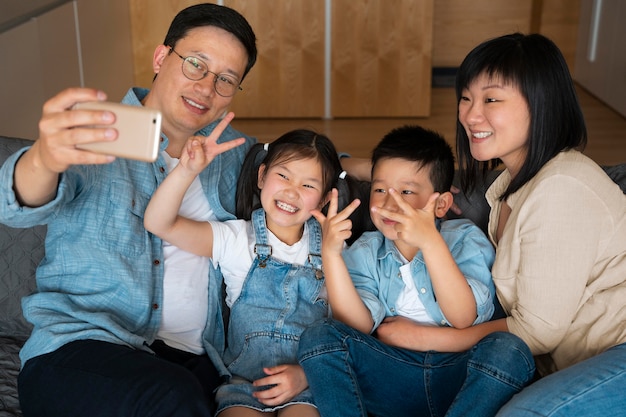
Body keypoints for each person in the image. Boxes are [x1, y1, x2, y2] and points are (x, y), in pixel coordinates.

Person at [0, 4, 258, 416]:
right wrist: (43, 159)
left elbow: (302, 168)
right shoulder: (96, 133)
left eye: (226, 80)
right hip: (80, 350)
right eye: (196, 64)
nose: (206, 88)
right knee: (171, 397)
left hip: (195, 363)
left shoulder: (232, 153)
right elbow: (15, 206)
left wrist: (377, 171)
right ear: (161, 58)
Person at [358, 32, 626, 416]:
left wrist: (428, 337)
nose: (469, 115)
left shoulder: (562, 187)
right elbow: (427, 177)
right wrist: (357, 167)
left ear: (540, 104)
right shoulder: (504, 187)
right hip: (566, 362)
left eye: (491, 99)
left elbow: (536, 331)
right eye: (466, 98)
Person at [298, 125, 535, 417]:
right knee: (320, 335)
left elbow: (463, 317)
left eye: (406, 191)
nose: (388, 203)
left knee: (510, 352)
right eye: (380, 190)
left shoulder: (464, 239)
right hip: (389, 377)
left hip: (457, 377)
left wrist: (430, 242)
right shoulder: (366, 250)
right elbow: (355, 326)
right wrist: (331, 255)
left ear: (442, 204)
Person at [144, 127, 346, 417]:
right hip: (243, 384)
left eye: (308, 186)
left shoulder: (332, 248)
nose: (291, 191)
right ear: (261, 176)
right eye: (284, 176)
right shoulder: (236, 239)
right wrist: (186, 171)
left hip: (307, 380)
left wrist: (306, 372)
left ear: (325, 199)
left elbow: (346, 328)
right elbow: (159, 223)